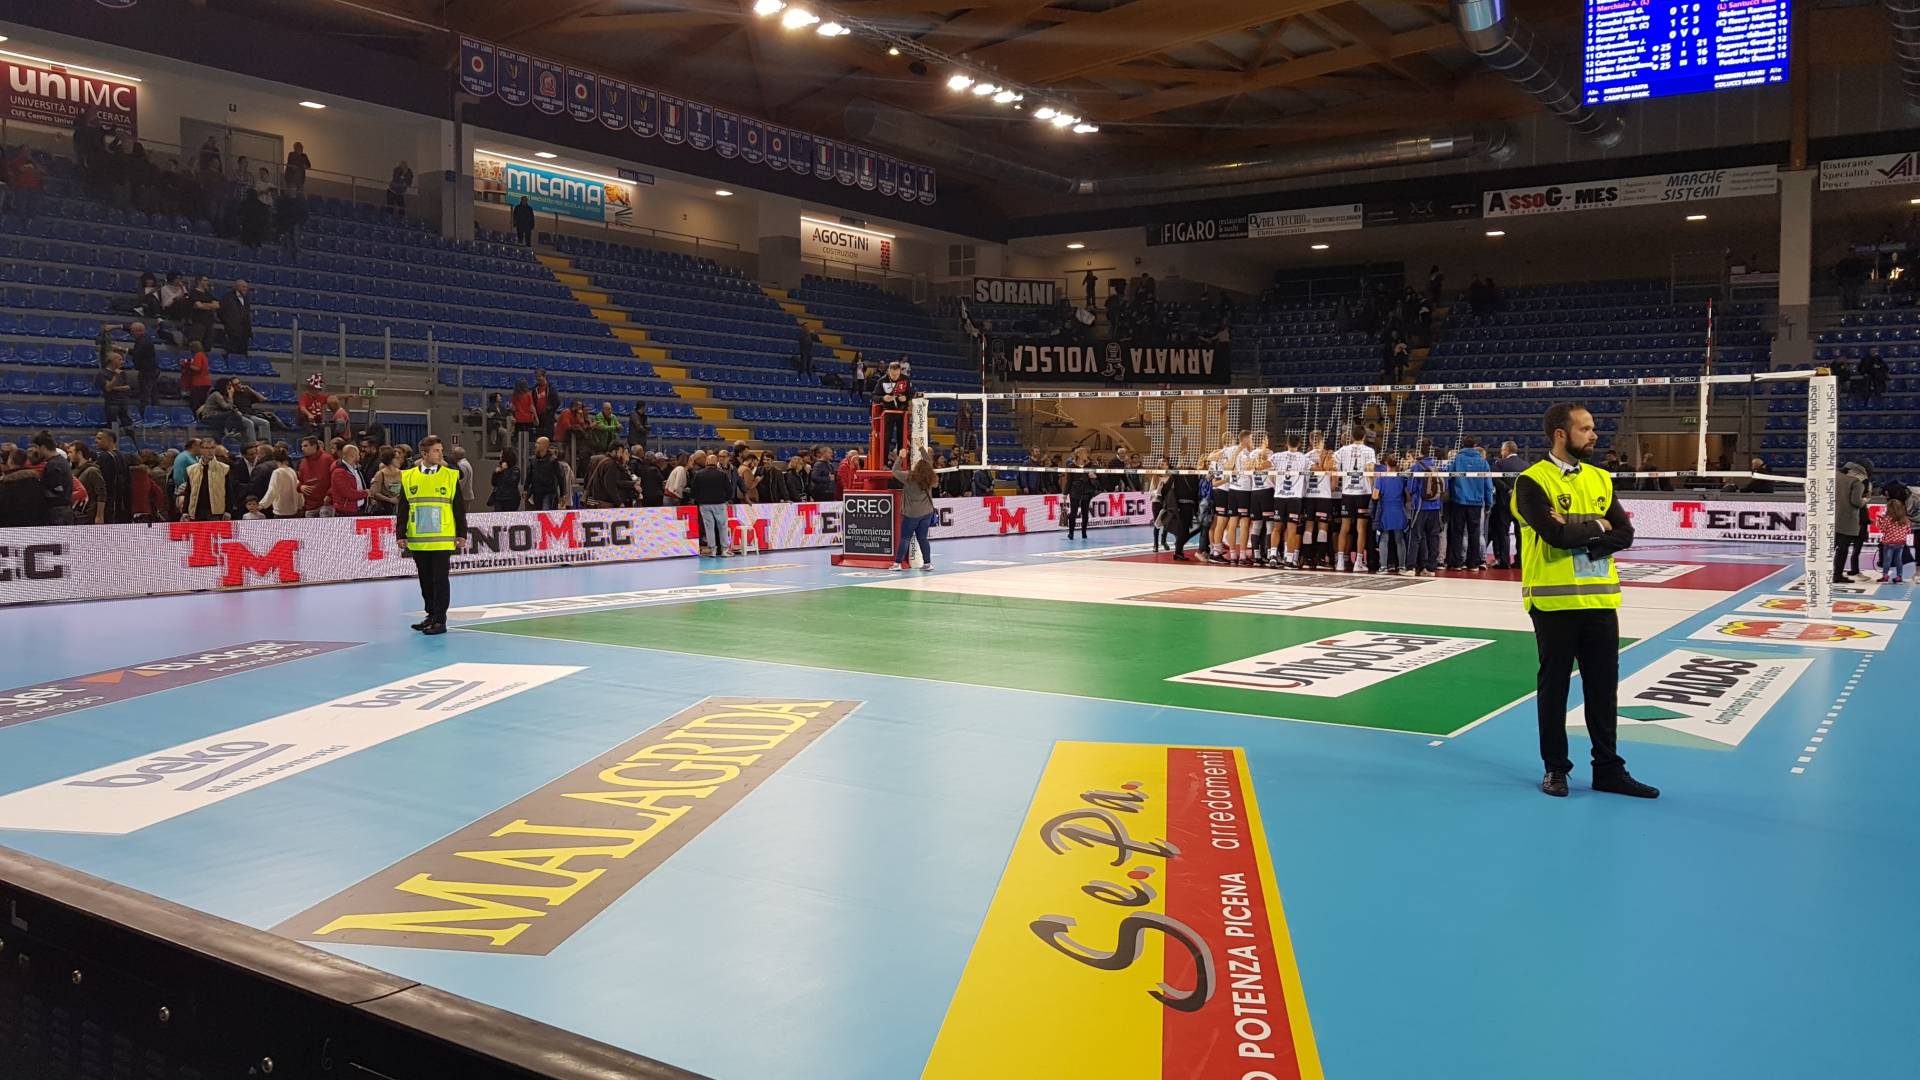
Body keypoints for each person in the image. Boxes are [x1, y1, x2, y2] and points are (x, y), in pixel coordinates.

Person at [1513, 403, 1656, 800]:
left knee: (1603, 689)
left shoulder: (1600, 478)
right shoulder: (1531, 481)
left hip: (1600, 600)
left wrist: (1585, 533)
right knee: (1554, 689)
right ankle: (1556, 768)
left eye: (1592, 428)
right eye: (1585, 429)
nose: (1594, 435)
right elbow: (1553, 536)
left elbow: (1625, 534)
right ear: (1561, 434)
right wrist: (1599, 526)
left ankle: (1608, 769)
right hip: (1553, 604)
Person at [395, 436, 465, 635]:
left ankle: (440, 620)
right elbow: (403, 507)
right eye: (436, 450)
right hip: (418, 539)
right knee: (425, 580)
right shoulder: (409, 476)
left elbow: (458, 507)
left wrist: (461, 533)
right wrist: (401, 533)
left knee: (440, 580)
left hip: (442, 539)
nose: (441, 454)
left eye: (441, 450)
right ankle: (431, 615)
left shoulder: (450, 476)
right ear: (424, 454)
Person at [1333, 424, 1377, 573]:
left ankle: (1340, 562)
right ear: (1364, 436)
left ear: (1351, 436)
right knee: (1361, 529)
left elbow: (1333, 465)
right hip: (1363, 493)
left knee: (1344, 527)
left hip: (1347, 492)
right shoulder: (1369, 451)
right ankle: (1358, 562)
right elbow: (1370, 469)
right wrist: (1373, 487)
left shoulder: (1343, 450)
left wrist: (1338, 478)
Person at [1446, 436, 1492, 571]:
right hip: (1476, 502)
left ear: (1463, 445)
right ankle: (1473, 564)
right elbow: (1488, 486)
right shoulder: (1483, 462)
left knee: (1457, 533)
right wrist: (1488, 503)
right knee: (1474, 533)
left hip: (1458, 501)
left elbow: (1448, 478)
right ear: (1475, 445)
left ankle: (1457, 563)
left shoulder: (1457, 460)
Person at [890, 452, 938, 571]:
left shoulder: (909, 477)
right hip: (927, 513)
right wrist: (921, 448)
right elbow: (929, 461)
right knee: (923, 538)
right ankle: (928, 563)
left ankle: (897, 563)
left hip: (912, 513)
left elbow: (895, 471)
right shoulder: (931, 479)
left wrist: (900, 457)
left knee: (905, 538)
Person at [1407, 439, 1445, 576]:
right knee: (1434, 537)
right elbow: (1444, 486)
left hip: (1420, 506)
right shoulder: (1436, 466)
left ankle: (1411, 567)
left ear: (1419, 450)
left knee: (1415, 537)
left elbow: (1411, 488)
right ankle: (1430, 568)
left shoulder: (1417, 467)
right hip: (1435, 507)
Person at [690, 451, 735, 557]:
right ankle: (724, 550)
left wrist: (698, 500)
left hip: (704, 504)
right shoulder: (722, 474)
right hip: (719, 504)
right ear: (716, 462)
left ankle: (712, 550)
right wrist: (726, 499)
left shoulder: (699, 474)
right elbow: (729, 490)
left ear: (707, 462)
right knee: (722, 527)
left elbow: (693, 491)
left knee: (709, 527)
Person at [1489, 441, 1526, 569]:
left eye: (1502, 450)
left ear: (1506, 450)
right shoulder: (1526, 465)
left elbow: (1494, 479)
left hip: (1504, 503)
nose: (1501, 452)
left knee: (1503, 532)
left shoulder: (1500, 464)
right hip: (1521, 503)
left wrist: (1507, 489)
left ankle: (1504, 561)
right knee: (1520, 533)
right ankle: (1520, 561)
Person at [1834, 459, 1871, 583]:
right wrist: (1865, 500)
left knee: (1828, 547)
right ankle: (1837, 575)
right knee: (1842, 549)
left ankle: (1821, 572)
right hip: (1847, 520)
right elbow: (1856, 502)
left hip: (1831, 517)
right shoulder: (1856, 482)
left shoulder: (1834, 476)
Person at [1062, 448, 1096, 540]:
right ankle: (1071, 533)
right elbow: (1069, 481)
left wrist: (1094, 476)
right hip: (1075, 490)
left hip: (1086, 490)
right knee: (1073, 512)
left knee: (1085, 512)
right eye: (1085, 453)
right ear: (1079, 454)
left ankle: (1084, 532)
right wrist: (1065, 493)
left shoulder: (1090, 465)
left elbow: (1098, 476)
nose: (1087, 454)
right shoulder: (1071, 466)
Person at [1878, 494, 1912, 584]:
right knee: (1898, 560)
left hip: (1889, 542)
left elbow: (1883, 529)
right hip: (1900, 543)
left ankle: (1885, 576)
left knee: (1887, 560)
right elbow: (1909, 530)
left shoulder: (1887, 519)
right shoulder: (1905, 519)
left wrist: (1880, 520)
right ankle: (1899, 576)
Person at [329, 443, 367, 516]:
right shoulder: (339, 472)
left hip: (358, 510)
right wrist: (365, 493)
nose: (359, 456)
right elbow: (348, 493)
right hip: (345, 512)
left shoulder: (356, 469)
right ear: (352, 456)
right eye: (358, 454)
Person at [219, 280, 252, 357]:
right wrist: (228, 323)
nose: (245, 289)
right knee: (232, 352)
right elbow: (221, 312)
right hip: (232, 331)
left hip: (244, 331)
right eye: (243, 287)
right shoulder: (228, 297)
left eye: (246, 287)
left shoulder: (246, 299)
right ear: (237, 287)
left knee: (243, 353)